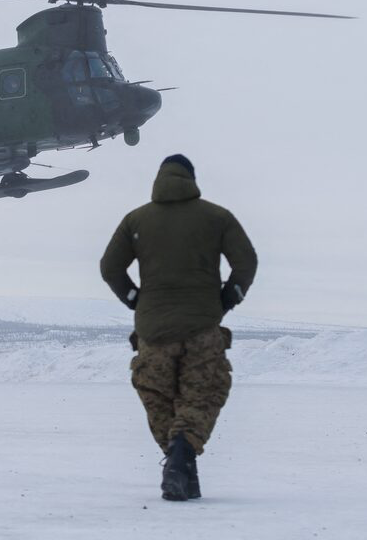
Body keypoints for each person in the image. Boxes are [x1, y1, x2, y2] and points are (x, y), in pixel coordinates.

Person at [100, 154, 257, 501]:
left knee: (159, 399)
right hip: (202, 327)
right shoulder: (217, 217)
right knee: (202, 395)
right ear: (191, 179)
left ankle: (182, 468)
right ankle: (182, 459)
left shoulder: (136, 220)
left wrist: (135, 299)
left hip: (153, 332)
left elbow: (110, 267)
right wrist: (227, 299)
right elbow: (247, 261)